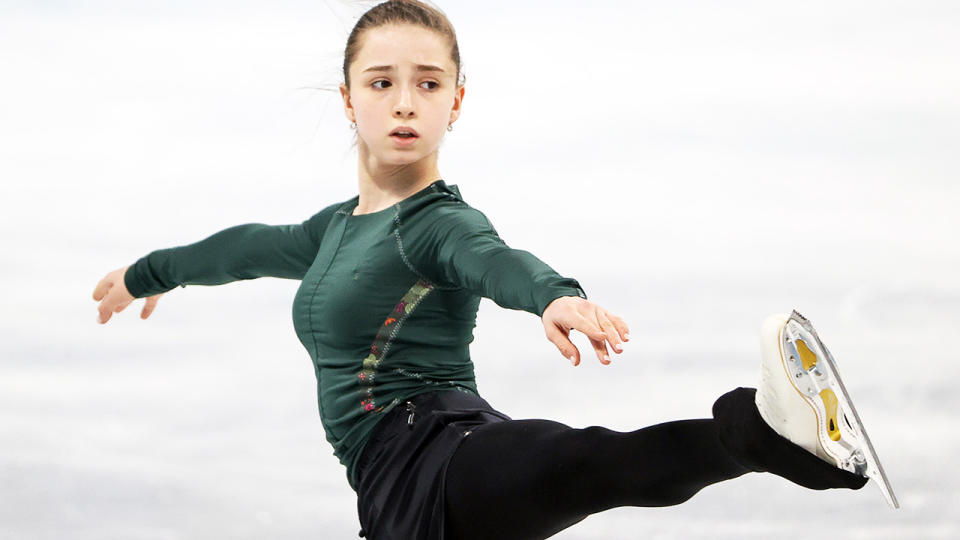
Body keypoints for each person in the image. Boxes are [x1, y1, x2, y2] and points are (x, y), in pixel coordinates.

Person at [92, 1, 889, 539]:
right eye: (383, 83)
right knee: (580, 463)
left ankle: (767, 431)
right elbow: (240, 249)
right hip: (406, 477)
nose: (405, 102)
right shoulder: (331, 232)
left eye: (427, 83)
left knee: (585, 463)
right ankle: (772, 441)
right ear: (349, 99)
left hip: (443, 456)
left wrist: (554, 296)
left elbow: (491, 259)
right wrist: (152, 273)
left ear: (455, 103)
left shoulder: (439, 223)